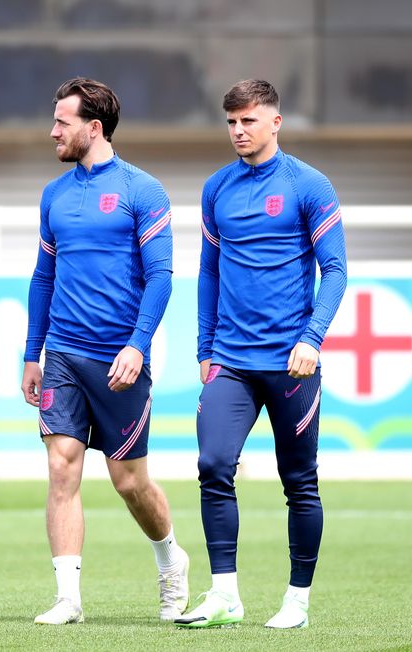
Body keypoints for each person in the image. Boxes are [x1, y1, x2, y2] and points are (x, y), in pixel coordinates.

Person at [174, 79, 347, 630]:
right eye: (231, 122)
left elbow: (337, 271)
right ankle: (225, 593)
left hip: (291, 364)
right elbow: (209, 271)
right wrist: (205, 348)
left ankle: (296, 599)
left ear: (275, 121)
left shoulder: (309, 185)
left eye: (249, 121)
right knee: (212, 465)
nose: (238, 131)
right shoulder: (216, 188)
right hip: (230, 360)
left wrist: (311, 338)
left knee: (299, 481)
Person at [21, 77, 189, 625]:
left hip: (120, 359)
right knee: (61, 469)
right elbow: (43, 277)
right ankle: (68, 598)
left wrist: (138, 345)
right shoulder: (54, 195)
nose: (53, 131)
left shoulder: (144, 191)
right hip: (64, 355)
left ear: (93, 128)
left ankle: (171, 559)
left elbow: (161, 278)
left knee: (129, 483)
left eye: (62, 122)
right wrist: (32, 353)